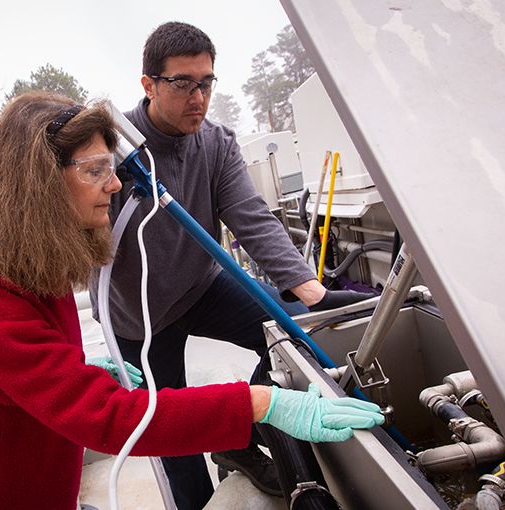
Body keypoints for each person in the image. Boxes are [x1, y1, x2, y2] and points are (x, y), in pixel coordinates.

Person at [0, 92, 384, 510]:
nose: (115, 185)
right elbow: (112, 420)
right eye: (95, 171)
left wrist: (81, 367)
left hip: (43, 480)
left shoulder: (29, 261)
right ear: (39, 184)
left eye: (110, 168)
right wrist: (261, 404)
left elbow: (21, 373)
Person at [89, 22, 374, 509]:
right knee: (170, 433)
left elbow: (252, 219)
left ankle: (241, 434)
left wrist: (312, 294)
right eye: (182, 83)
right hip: (139, 318)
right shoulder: (114, 152)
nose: (197, 97)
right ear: (148, 85)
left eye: (206, 82)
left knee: (290, 343)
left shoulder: (216, 144)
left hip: (202, 286)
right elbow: (82, 240)